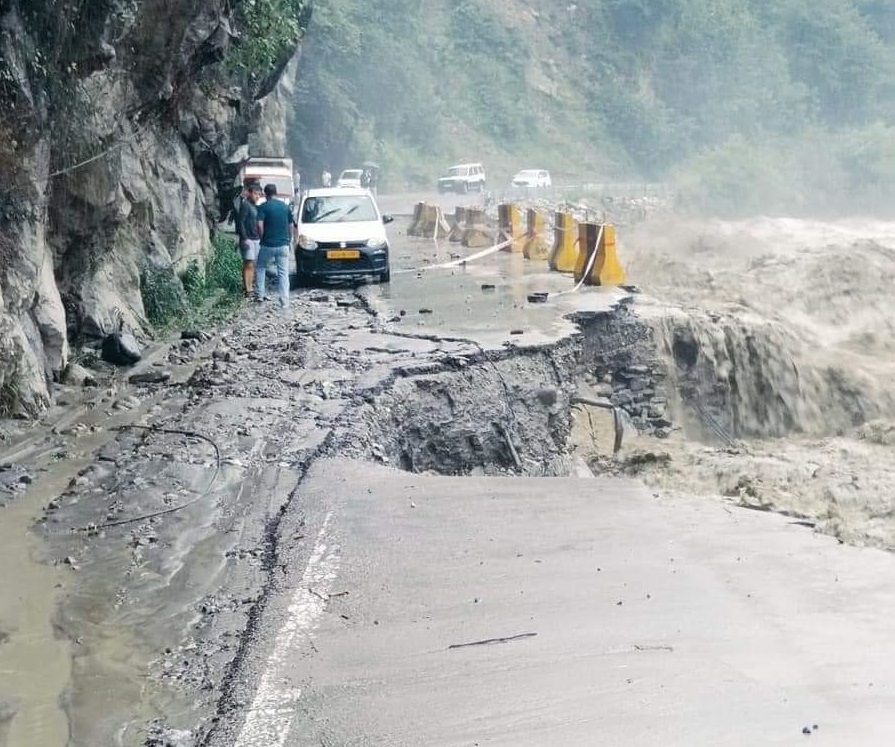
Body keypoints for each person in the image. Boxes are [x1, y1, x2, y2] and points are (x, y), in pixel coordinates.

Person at [254, 183, 293, 308]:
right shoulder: (285, 207)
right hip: (283, 244)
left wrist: (262, 237)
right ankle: (284, 300)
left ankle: (260, 294)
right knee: (283, 272)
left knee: (260, 267)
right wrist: (289, 239)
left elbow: (259, 225)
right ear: (276, 192)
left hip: (267, 244)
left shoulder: (263, 207)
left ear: (265, 194)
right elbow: (291, 225)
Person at [236, 182, 262, 297]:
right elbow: (240, 222)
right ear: (249, 193)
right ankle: (248, 290)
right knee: (249, 264)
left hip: (256, 238)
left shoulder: (255, 206)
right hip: (248, 239)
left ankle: (249, 287)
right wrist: (244, 238)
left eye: (259, 195)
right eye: (256, 194)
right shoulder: (245, 205)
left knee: (252, 264)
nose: (257, 196)